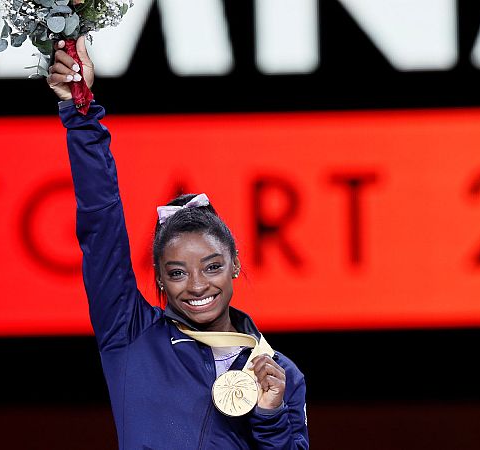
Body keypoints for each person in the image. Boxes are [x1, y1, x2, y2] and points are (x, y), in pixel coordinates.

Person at [47, 36, 309, 449]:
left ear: (235, 264)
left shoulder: (278, 373)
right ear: (160, 280)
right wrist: (80, 114)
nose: (198, 285)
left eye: (212, 266)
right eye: (177, 273)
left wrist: (270, 417)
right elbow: (101, 225)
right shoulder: (129, 333)